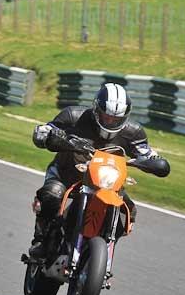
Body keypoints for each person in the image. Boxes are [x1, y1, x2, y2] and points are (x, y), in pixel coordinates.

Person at [28, 83, 170, 258]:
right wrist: (50, 136)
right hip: (66, 175)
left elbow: (147, 153)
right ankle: (41, 240)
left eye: (116, 119)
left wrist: (156, 163)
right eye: (106, 116)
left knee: (128, 210)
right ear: (96, 109)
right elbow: (45, 130)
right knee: (52, 194)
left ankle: (104, 251)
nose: (110, 121)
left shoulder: (134, 132)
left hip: (107, 184)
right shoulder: (73, 116)